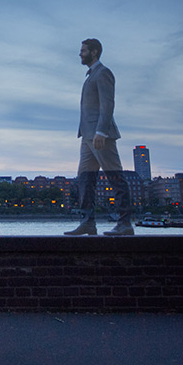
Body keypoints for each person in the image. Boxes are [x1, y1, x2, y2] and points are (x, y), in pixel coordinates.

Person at [64, 39, 133, 236]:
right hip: (87, 136)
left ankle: (125, 224)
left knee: (115, 177)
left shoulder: (103, 73)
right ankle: (88, 222)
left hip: (100, 136)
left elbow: (108, 104)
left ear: (94, 52)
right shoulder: (90, 76)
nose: (80, 54)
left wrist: (101, 132)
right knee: (85, 180)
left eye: (83, 50)